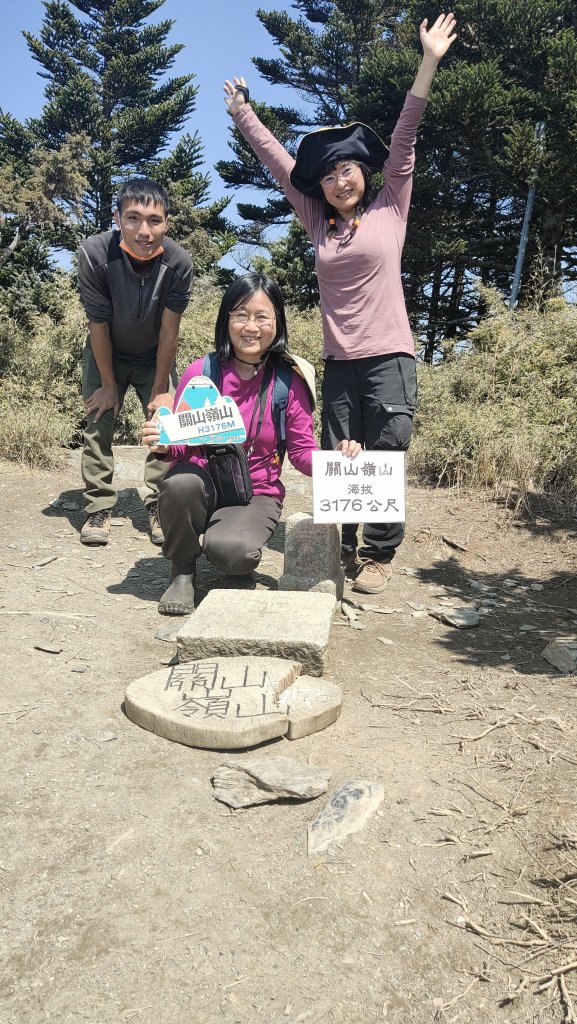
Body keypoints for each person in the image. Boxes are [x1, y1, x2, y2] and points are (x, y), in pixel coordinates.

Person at [223, 13, 457, 595]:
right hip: (338, 359)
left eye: (347, 168)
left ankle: (378, 552)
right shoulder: (318, 224)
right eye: (327, 175)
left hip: (390, 358)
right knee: (338, 453)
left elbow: (404, 137)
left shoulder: (389, 209)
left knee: (383, 452)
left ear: (363, 172)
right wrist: (243, 115)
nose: (338, 180)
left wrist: (427, 60)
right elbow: (280, 165)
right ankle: (339, 543)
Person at [143, 273, 360, 615]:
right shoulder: (202, 372)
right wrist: (163, 446)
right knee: (179, 482)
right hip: (202, 482)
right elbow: (182, 447)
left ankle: (228, 554)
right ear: (226, 318)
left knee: (235, 553)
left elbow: (302, 452)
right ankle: (182, 569)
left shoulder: (290, 380)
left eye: (262, 317)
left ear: (277, 323)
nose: (251, 326)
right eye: (241, 314)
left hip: (256, 491)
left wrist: (338, 460)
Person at [77, 177, 193, 547]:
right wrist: (108, 385)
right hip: (105, 348)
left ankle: (160, 504)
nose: (144, 230)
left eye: (154, 220)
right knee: (98, 418)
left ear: (167, 223)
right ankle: (98, 504)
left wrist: (160, 390)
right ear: (117, 218)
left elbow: (169, 331)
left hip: (154, 354)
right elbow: (98, 324)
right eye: (133, 218)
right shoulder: (95, 253)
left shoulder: (178, 262)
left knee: (166, 424)